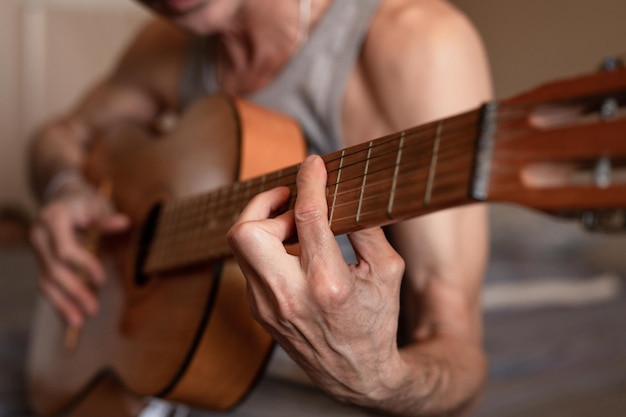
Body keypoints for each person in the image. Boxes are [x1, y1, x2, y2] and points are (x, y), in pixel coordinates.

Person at [28, 0, 492, 416]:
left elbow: (458, 351)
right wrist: (65, 187)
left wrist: (383, 380)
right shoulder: (168, 42)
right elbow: (59, 137)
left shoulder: (419, 44)